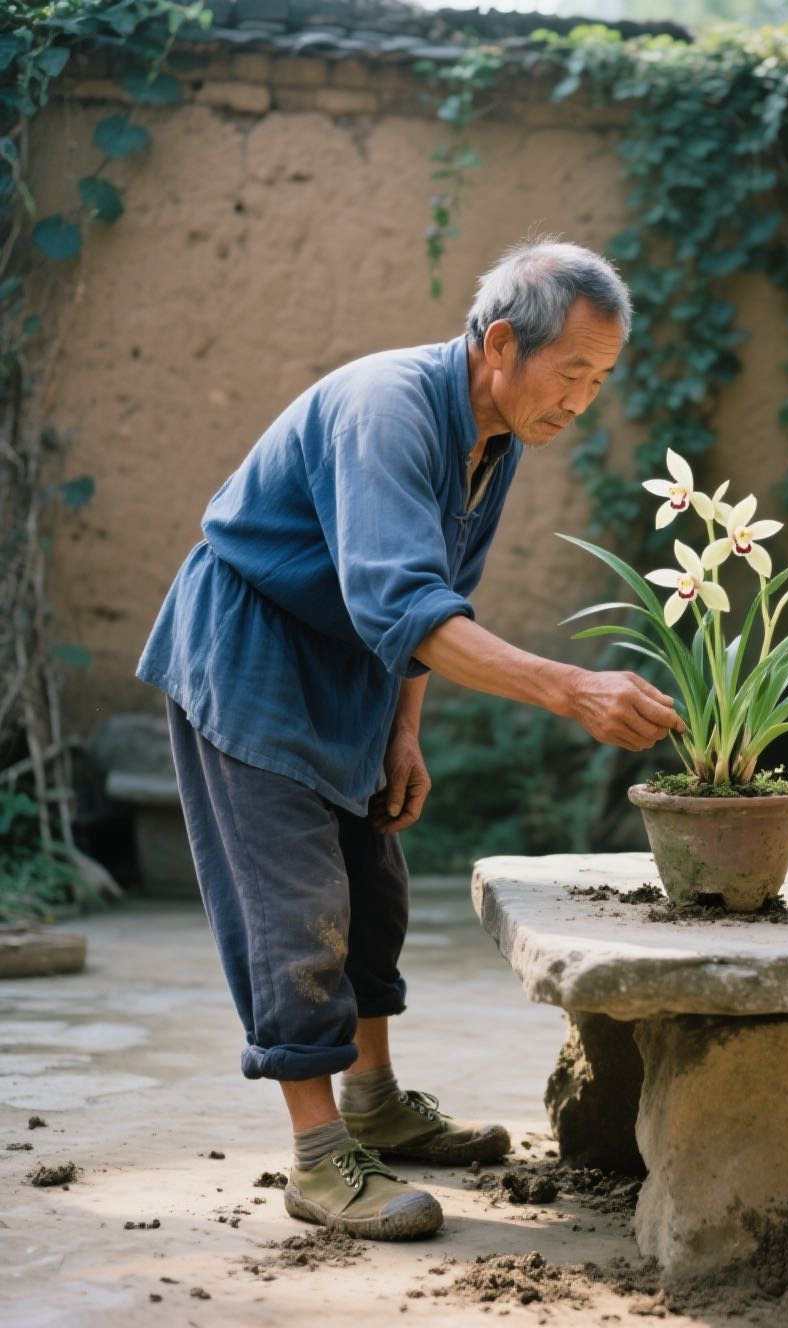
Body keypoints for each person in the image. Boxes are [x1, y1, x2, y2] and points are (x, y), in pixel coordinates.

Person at [137, 240, 683, 1240]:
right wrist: (567, 686)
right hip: (252, 652)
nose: (581, 401)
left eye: (598, 383)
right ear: (502, 343)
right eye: (571, 374)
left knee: (371, 886)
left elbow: (435, 592)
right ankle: (314, 1157)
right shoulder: (390, 406)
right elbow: (399, 601)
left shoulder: (495, 437)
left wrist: (404, 731)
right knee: (293, 904)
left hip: (350, 668)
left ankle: (374, 1100)